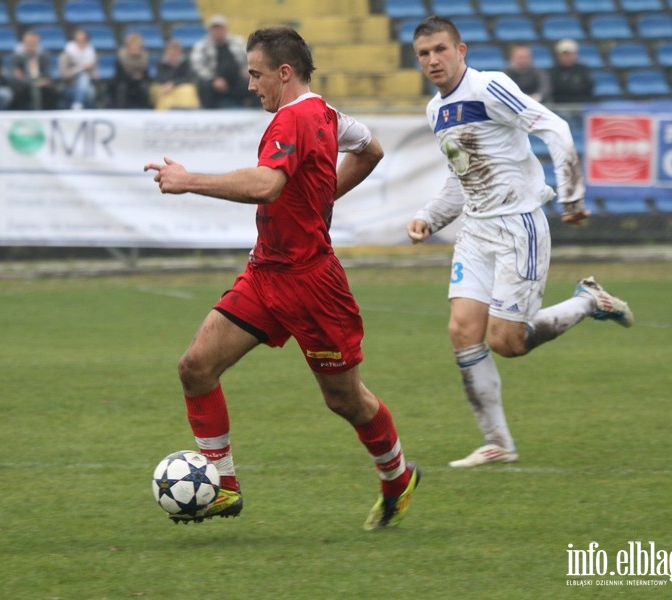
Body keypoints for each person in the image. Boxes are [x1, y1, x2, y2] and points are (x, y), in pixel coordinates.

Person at [144, 26, 421, 530]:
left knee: (345, 400)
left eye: (256, 74)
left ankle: (398, 476)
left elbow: (268, 185)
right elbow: (371, 149)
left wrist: (189, 181)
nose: (251, 85)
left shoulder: (290, 121)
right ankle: (224, 487)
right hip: (266, 273)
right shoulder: (328, 115)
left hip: (314, 286)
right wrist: (319, 197)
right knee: (195, 367)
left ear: (284, 73)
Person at [407, 16, 634, 467]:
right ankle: (498, 443)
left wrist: (571, 197)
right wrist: (429, 218)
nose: (432, 60)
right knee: (461, 331)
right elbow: (461, 177)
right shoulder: (436, 111)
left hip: (518, 226)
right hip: (475, 230)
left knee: (507, 342)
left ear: (461, 50)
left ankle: (589, 301)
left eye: (440, 50)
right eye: (423, 54)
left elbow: (554, 127)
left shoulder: (490, 87)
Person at [190, 14, 257, 108]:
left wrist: (249, 70)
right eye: (215, 28)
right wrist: (213, 79)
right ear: (210, 30)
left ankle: (256, 112)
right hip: (214, 82)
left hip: (237, 79)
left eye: (220, 28)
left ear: (225, 29)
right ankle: (208, 113)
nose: (217, 31)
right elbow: (197, 66)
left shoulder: (237, 42)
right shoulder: (202, 46)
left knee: (256, 83)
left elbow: (251, 57)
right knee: (203, 86)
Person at [9, 29, 57, 111]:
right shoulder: (17, 57)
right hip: (23, 86)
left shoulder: (44, 56)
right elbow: (14, 77)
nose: (31, 45)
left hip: (41, 85)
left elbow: (48, 75)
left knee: (51, 91)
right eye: (29, 42)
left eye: (34, 42)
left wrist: (39, 81)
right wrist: (32, 83)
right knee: (18, 91)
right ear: (24, 42)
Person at [151, 39, 200, 110]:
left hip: (180, 86)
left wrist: (173, 83)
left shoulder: (185, 63)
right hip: (164, 86)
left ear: (179, 52)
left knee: (189, 90)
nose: (173, 53)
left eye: (175, 51)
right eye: (170, 51)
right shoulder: (160, 62)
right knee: (162, 92)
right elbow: (160, 77)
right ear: (166, 51)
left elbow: (188, 78)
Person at [59, 28, 99, 109]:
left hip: (88, 85)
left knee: (87, 85)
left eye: (83, 40)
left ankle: (78, 104)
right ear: (74, 40)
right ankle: (78, 103)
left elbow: (96, 76)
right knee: (86, 85)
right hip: (70, 86)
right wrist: (81, 68)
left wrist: (90, 70)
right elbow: (64, 74)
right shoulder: (66, 54)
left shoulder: (91, 53)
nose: (81, 42)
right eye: (78, 40)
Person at [547, 38, 593, 104]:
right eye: (564, 54)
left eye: (570, 54)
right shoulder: (552, 72)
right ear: (558, 55)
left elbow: (588, 87)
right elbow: (553, 89)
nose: (567, 57)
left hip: (582, 105)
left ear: (576, 55)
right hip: (559, 106)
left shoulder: (583, 70)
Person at [113, 32, 151, 109]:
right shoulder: (121, 57)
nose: (136, 46)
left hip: (139, 82)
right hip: (125, 81)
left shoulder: (145, 57)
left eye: (138, 44)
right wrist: (132, 76)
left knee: (144, 87)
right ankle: (121, 110)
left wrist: (141, 76)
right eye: (133, 44)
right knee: (122, 87)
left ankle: (144, 109)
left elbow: (147, 76)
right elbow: (118, 76)